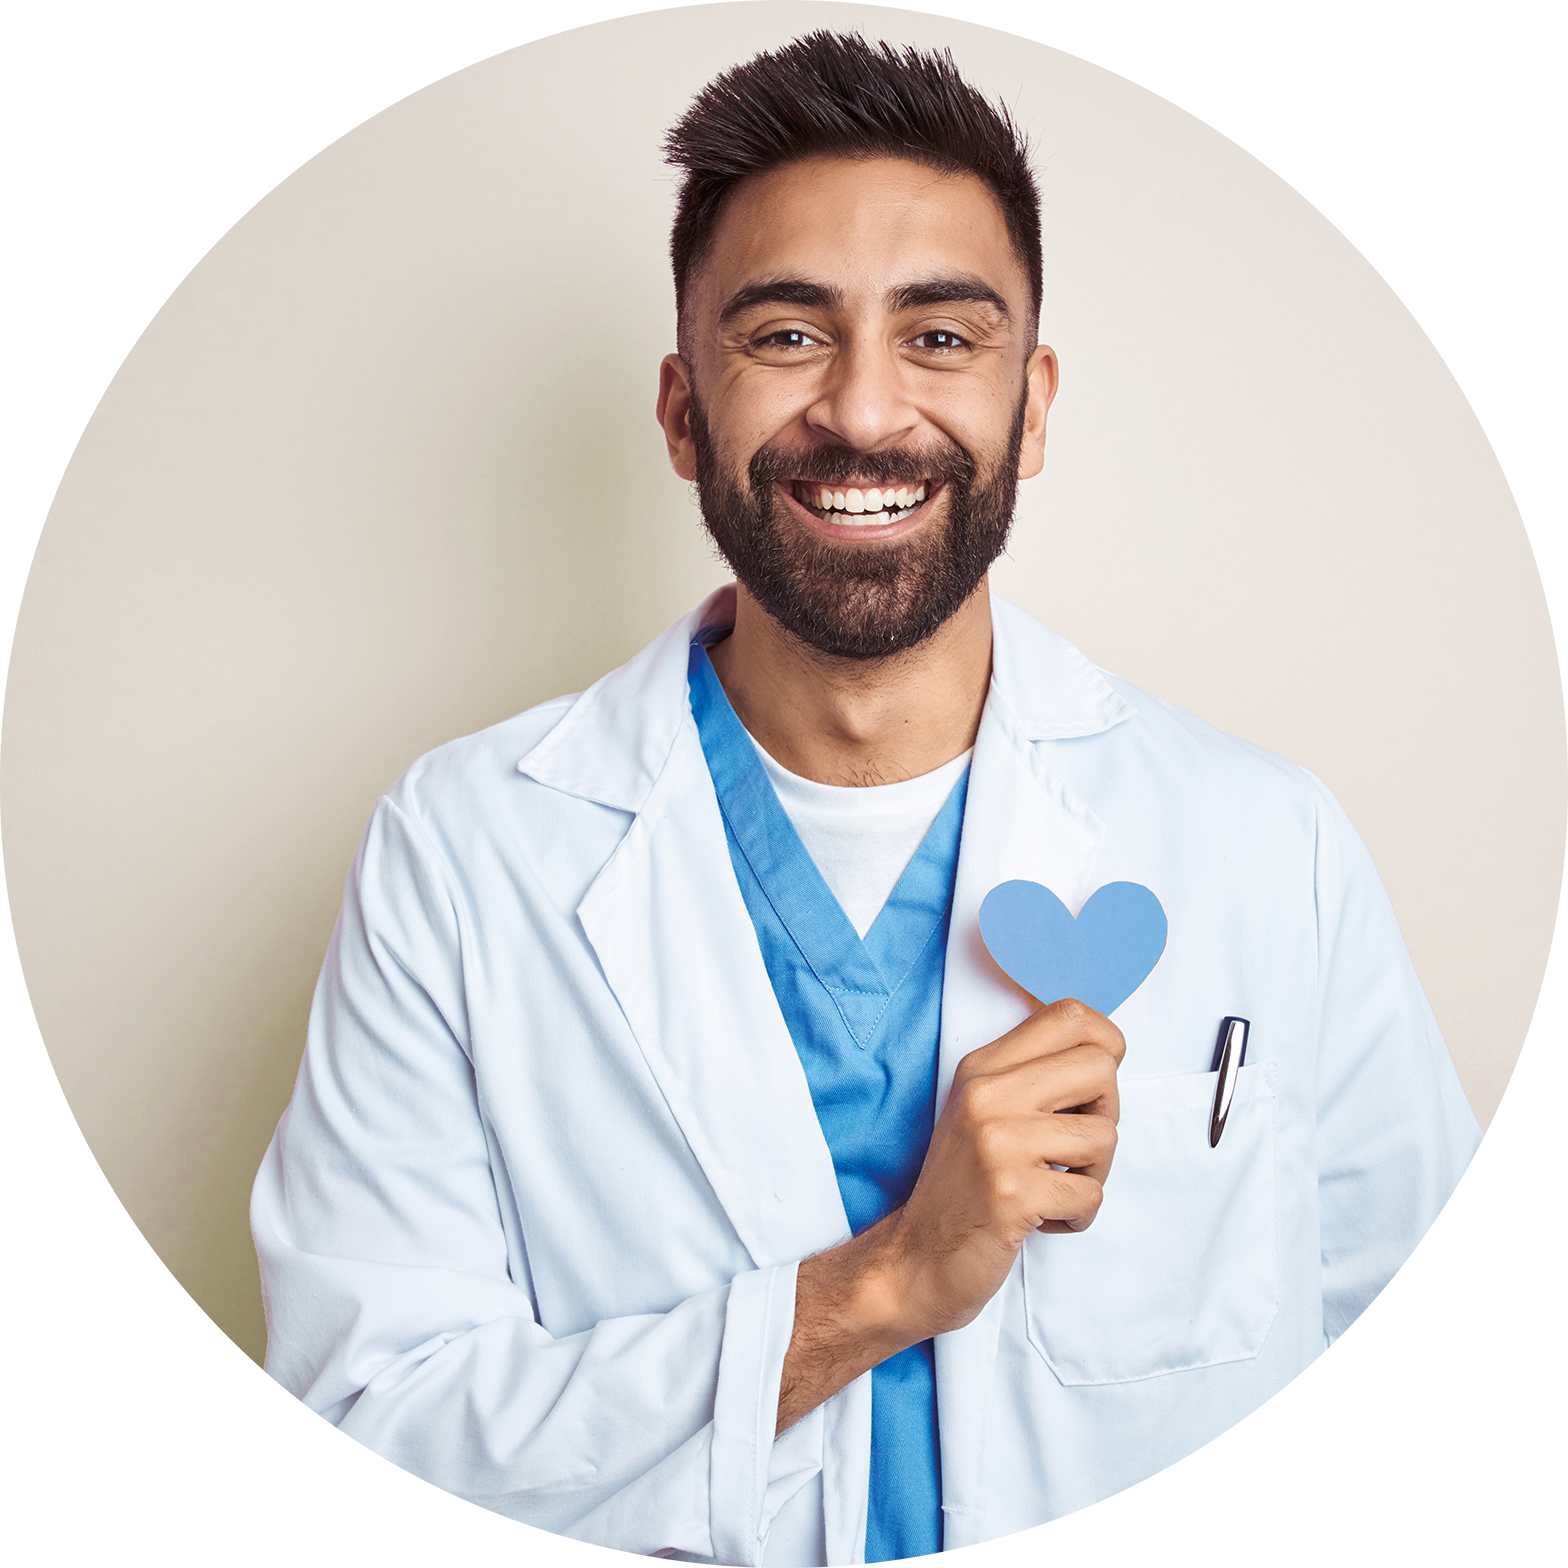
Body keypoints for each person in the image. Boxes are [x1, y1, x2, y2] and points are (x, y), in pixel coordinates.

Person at [250, 31, 1483, 1567]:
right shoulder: (462, 854)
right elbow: (379, 1419)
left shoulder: (1261, 842)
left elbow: (1430, 1344)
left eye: (942, 339)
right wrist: (891, 1282)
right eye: (784, 336)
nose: (867, 410)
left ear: (1031, 408)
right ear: (684, 410)